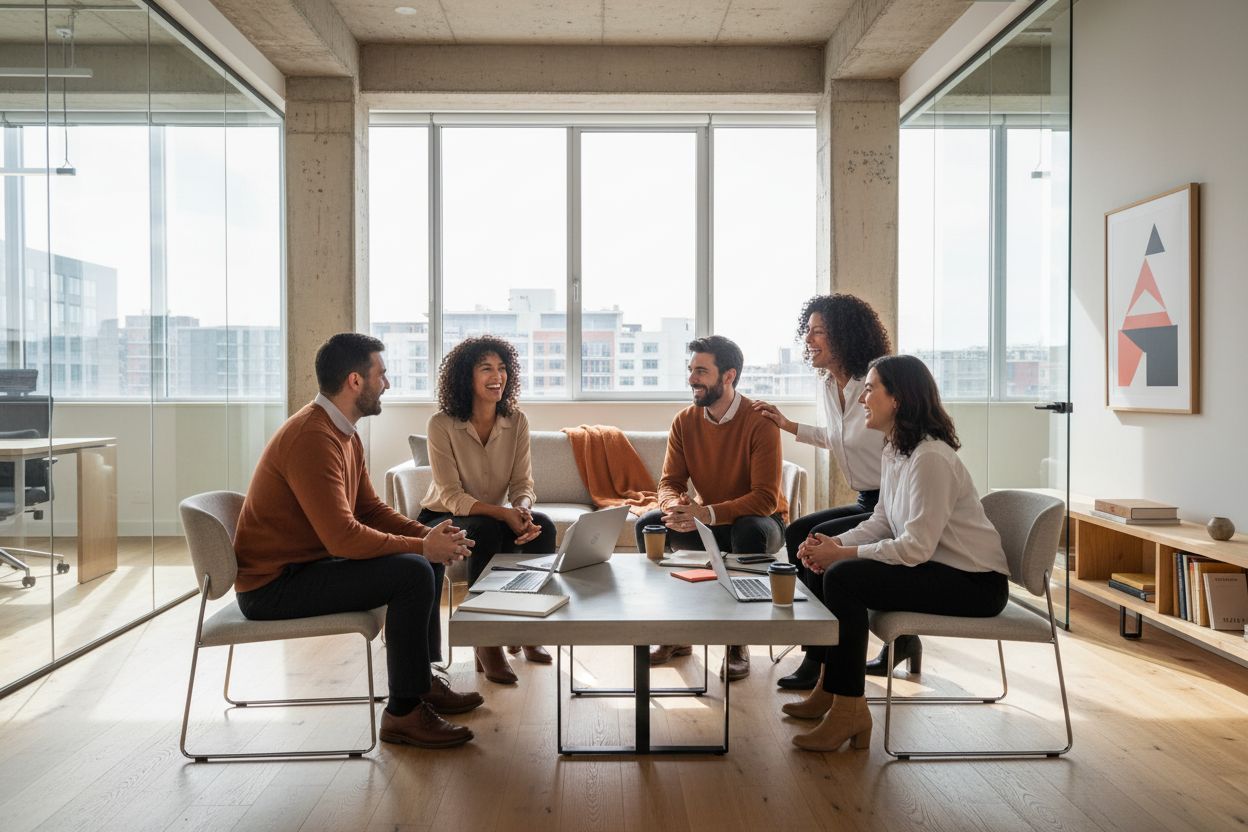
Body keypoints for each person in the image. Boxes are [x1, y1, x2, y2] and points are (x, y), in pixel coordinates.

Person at [234, 333, 482, 749]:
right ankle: (403, 714)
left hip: (307, 566)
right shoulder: (312, 438)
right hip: (272, 587)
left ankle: (420, 683)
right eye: (381, 374)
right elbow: (343, 538)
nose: (387, 383)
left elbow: (368, 510)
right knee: (412, 571)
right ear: (354, 381)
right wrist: (422, 547)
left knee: (423, 561)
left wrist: (427, 536)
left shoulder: (343, 432)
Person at [782, 354, 1009, 752]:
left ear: (898, 399)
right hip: (936, 567)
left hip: (974, 584)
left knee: (842, 577)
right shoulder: (896, 449)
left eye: (870, 389)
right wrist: (833, 546)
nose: (862, 399)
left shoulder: (930, 458)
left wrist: (844, 555)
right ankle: (830, 689)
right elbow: (883, 520)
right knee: (824, 564)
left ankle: (849, 709)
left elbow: (915, 547)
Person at [752, 293, 895, 690]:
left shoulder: (875, 385)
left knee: (811, 537)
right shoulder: (831, 384)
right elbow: (839, 438)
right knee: (799, 531)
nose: (809, 339)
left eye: (818, 332)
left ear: (845, 335)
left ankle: (819, 657)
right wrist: (788, 425)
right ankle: (819, 643)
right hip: (868, 498)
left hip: (893, 500)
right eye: (808, 331)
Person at [635, 335, 787, 681]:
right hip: (709, 522)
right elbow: (669, 482)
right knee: (649, 525)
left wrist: (707, 513)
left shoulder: (760, 420)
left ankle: (737, 643)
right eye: (690, 370)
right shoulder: (684, 421)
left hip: (763, 522)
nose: (692, 379)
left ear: (728, 376)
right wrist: (674, 509)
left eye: (701, 371)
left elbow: (765, 498)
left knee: (748, 529)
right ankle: (675, 632)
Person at [417, 335, 558, 686]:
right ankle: (486, 640)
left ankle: (527, 629)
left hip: (490, 516)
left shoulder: (517, 421)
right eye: (486, 369)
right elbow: (451, 496)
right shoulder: (441, 424)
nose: (498, 376)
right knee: (486, 529)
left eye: (502, 368)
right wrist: (503, 514)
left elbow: (522, 484)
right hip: (441, 517)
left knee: (543, 527)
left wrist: (522, 510)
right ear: (466, 376)